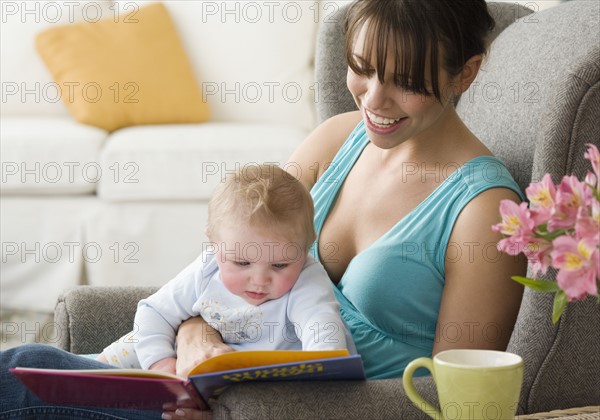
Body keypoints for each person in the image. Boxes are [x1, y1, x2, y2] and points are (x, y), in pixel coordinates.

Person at [0, 1, 526, 419]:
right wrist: (194, 340)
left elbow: (462, 400)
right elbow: (222, 259)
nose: (374, 100)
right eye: (363, 69)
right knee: (26, 371)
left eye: (406, 82)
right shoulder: (337, 140)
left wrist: (246, 403)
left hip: (273, 408)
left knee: (22, 372)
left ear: (466, 74)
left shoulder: (483, 211)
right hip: (199, 380)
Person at [98, 163, 349, 373]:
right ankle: (89, 372)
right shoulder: (206, 269)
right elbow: (154, 312)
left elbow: (323, 334)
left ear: (306, 247)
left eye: (280, 265)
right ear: (214, 244)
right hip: (187, 361)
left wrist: (324, 368)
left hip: (243, 379)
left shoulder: (307, 280)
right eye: (242, 263)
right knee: (127, 349)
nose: (260, 280)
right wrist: (163, 367)